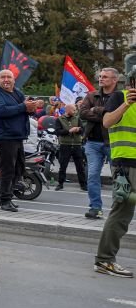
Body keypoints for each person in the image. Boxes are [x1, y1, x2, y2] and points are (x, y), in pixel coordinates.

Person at [93, 69, 136, 277]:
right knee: (122, 212)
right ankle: (104, 260)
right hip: (127, 164)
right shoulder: (120, 97)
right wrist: (128, 103)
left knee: (122, 212)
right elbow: (107, 121)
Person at [0, 69, 45, 212]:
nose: (6, 80)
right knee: (8, 169)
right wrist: (24, 106)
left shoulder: (17, 93)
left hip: (17, 136)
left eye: (9, 77)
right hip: (4, 136)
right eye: (3, 77)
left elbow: (24, 109)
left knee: (19, 167)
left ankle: (9, 196)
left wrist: (32, 106)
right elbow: (1, 111)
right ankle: (5, 199)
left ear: (14, 80)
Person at [80, 67, 126, 219]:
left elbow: (118, 118)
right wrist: (106, 114)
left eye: (105, 76)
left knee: (118, 177)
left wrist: (97, 110)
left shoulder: (120, 96)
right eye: (100, 76)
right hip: (92, 142)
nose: (101, 79)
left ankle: (117, 209)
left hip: (113, 143)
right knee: (92, 175)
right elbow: (83, 113)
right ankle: (95, 207)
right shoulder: (92, 95)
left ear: (115, 80)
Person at [55, 102, 88, 192]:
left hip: (77, 145)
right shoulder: (59, 119)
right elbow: (58, 131)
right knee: (63, 165)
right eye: (73, 110)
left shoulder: (77, 118)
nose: (75, 111)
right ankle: (60, 183)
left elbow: (82, 129)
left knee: (80, 166)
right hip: (65, 145)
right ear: (68, 110)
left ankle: (83, 185)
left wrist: (78, 129)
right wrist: (69, 131)